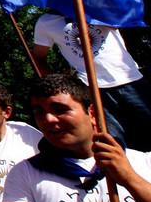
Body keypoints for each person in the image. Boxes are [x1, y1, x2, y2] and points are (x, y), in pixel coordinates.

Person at [2, 74, 151, 202]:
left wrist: (130, 178)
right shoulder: (24, 174)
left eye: (60, 110)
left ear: (92, 114)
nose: (48, 119)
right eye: (40, 112)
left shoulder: (145, 162)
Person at [33, 11, 151, 152]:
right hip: (92, 89)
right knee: (113, 144)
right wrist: (59, 85)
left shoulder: (97, 4)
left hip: (131, 79)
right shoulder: (46, 22)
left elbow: (124, 19)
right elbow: (38, 57)